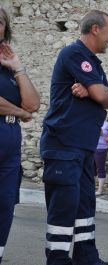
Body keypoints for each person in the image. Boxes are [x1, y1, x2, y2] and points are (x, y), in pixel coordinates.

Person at [40, 10, 108, 265]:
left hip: (82, 148)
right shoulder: (75, 54)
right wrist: (98, 92)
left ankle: (86, 258)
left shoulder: (93, 63)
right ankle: (58, 260)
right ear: (95, 29)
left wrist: (98, 91)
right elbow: (103, 96)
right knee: (64, 209)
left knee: (85, 207)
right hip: (64, 146)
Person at [0, 7, 40, 263]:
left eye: (0, 22)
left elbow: (33, 104)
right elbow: (25, 111)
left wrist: (18, 67)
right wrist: (19, 112)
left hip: (10, 142)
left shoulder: (7, 67)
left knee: (5, 206)